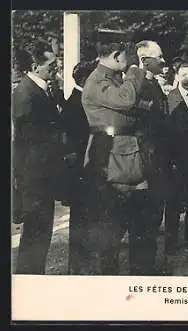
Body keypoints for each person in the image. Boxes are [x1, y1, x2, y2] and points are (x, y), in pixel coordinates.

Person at [80, 29, 157, 275]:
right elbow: (126, 101)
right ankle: (111, 286)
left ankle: (141, 276)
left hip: (130, 162)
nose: (129, 61)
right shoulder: (97, 82)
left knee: (141, 227)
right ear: (116, 55)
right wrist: (135, 69)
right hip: (114, 166)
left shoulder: (111, 77)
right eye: (127, 56)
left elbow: (130, 106)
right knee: (113, 232)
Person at [12, 40, 66, 274]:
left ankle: (35, 276)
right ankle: (29, 280)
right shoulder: (26, 94)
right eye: (51, 65)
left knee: (41, 233)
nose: (56, 68)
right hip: (34, 177)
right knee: (35, 235)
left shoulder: (39, 89)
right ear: (35, 65)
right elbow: (26, 143)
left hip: (42, 175)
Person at [135, 40, 171, 273]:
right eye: (159, 57)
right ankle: (141, 270)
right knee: (143, 219)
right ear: (146, 60)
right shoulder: (137, 86)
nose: (163, 60)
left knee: (153, 218)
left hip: (158, 160)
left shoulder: (153, 84)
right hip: (146, 162)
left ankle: (147, 265)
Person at [60, 59, 98, 274]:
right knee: (80, 219)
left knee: (86, 217)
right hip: (80, 173)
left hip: (85, 170)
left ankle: (82, 263)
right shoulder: (75, 103)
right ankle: (78, 266)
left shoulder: (79, 100)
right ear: (85, 79)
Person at [164, 60, 188, 255]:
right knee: (173, 206)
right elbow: (166, 134)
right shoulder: (170, 99)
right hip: (176, 162)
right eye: (184, 75)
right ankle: (171, 245)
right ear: (177, 76)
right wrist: (171, 162)